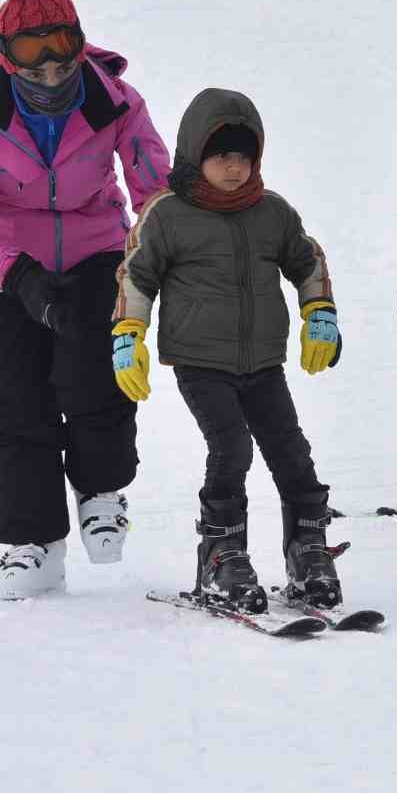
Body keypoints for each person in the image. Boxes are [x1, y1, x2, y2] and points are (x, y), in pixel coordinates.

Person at [0, 0, 169, 599]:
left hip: (97, 252)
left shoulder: (114, 99)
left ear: (79, 43)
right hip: (7, 266)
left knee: (94, 380)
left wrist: (151, 255)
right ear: (7, 58)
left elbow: (155, 189)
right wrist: (17, 274)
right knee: (20, 400)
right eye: (34, 64)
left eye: (63, 60)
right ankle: (29, 541)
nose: (51, 74)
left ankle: (100, 490)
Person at [111, 88, 344, 611]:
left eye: (244, 156)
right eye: (222, 156)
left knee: (292, 452)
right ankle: (221, 554)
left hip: (263, 361)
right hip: (200, 362)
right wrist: (128, 334)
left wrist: (320, 313)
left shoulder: (273, 212)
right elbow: (137, 274)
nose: (234, 168)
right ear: (195, 154)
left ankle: (307, 547)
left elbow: (308, 261)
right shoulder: (167, 214)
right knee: (231, 448)